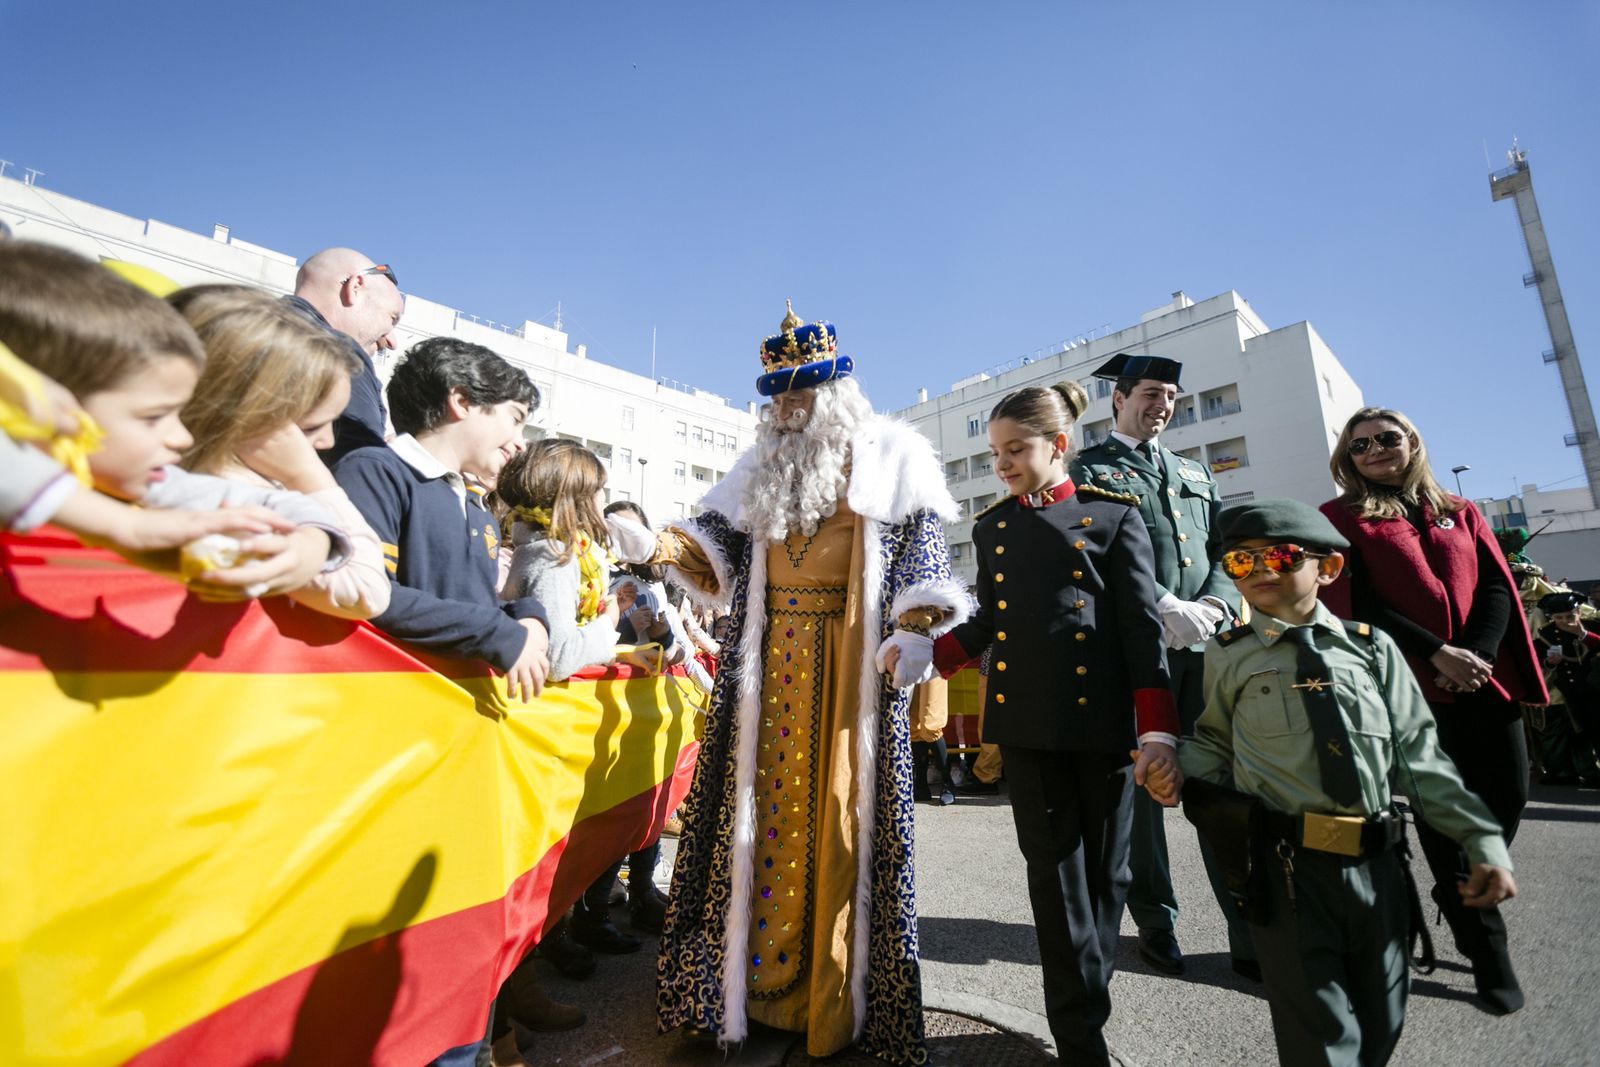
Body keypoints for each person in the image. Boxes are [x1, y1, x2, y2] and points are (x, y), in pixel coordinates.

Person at [653, 305, 968, 1065]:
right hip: (766, 671)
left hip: (847, 667)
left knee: (838, 822)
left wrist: (914, 625)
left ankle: (827, 1005)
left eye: (802, 391)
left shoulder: (892, 457)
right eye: (778, 395)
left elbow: (923, 553)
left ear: (835, 393)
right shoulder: (758, 466)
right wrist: (657, 545)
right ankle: (750, 992)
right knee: (753, 821)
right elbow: (713, 549)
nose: (788, 406)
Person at [1182, 499, 1518, 1066]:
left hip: (1380, 870)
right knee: (1320, 1042)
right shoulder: (1228, 655)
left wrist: (1481, 842)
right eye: (1240, 562)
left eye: (1280, 557)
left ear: (1328, 568)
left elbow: (1422, 759)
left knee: (1382, 1022)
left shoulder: (1372, 648)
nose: (1258, 570)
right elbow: (1214, 742)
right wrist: (1169, 764)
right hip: (1288, 871)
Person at [931, 379, 1180, 1067]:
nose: (1002, 464)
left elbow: (1142, 631)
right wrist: (930, 654)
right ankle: (1079, 1040)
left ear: (1058, 444)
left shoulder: (1114, 517)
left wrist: (1157, 732)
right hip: (1027, 728)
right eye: (995, 453)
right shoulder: (992, 528)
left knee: (1108, 879)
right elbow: (989, 623)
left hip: (1103, 730)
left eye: (1015, 449)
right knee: (1055, 882)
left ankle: (1084, 1000)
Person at [332, 337, 556, 1064]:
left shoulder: (478, 509)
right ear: (461, 402)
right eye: (514, 418)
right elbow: (368, 599)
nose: (519, 443)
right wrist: (499, 630)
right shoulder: (378, 472)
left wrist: (528, 617)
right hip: (398, 760)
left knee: (465, 934)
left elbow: (485, 607)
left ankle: (474, 1043)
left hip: (463, 758)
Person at [1319, 406, 1545, 1015]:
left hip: (1483, 681)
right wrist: (1437, 653)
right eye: (1360, 445)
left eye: (1386, 438)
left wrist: (1478, 656)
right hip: (1411, 688)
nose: (1374, 450)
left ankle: (1457, 894)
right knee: (1444, 822)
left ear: (1412, 442)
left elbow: (1496, 586)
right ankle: (1488, 951)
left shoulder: (1459, 510)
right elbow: (1357, 601)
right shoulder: (1341, 518)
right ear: (1348, 457)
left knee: (1508, 799)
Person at [0, 242, 343, 600]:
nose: (182, 437)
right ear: (43, 402)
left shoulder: (154, 485)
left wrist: (309, 544)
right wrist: (123, 525)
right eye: (154, 417)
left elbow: (277, 507)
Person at [1069, 353, 1253, 978]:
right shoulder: (1088, 469)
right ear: (1119, 399)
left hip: (1206, 651)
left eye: (1171, 396)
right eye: (1151, 393)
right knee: (1147, 792)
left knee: (1222, 789)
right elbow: (1089, 552)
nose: (1163, 405)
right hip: (1136, 654)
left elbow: (1225, 549)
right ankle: (1156, 920)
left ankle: (1248, 927)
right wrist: (1163, 605)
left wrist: (1216, 606)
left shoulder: (1194, 472)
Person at [169, 286, 391, 619]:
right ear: (242, 415)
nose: (327, 442)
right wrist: (308, 475)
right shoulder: (231, 502)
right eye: (311, 427)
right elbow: (366, 591)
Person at [287, 247, 405, 463]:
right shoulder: (340, 356)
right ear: (355, 287)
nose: (392, 342)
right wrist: (386, 461)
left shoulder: (242, 329)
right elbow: (357, 467)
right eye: (392, 318)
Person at [1531, 590, 1600, 788]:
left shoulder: (1592, 626)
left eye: (1569, 616)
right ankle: (1579, 773)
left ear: (1578, 612)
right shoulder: (1545, 635)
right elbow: (1537, 661)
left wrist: (1582, 634)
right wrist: (1550, 663)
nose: (1564, 622)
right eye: (1558, 617)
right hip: (1568, 692)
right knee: (1578, 733)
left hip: (1594, 689)